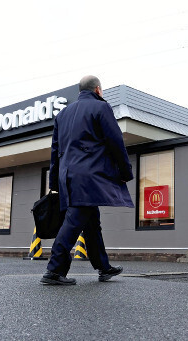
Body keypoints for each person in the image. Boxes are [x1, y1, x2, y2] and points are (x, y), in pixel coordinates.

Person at [41, 75, 134, 285]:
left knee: (92, 222)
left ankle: (103, 267)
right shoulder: (101, 108)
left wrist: (54, 182)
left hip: (67, 177)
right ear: (98, 90)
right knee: (74, 221)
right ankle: (54, 270)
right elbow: (115, 140)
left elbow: (55, 151)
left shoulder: (63, 114)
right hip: (88, 176)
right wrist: (125, 171)